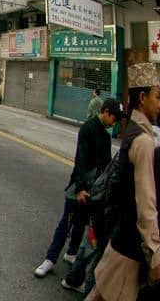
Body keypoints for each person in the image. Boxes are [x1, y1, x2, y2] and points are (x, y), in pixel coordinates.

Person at [54, 63, 160, 301]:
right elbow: (147, 202)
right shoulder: (143, 141)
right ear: (143, 97)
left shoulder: (130, 130)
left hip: (117, 240)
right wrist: (155, 253)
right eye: (157, 97)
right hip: (130, 248)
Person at [34, 98, 123, 279]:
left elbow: (105, 166)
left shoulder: (106, 137)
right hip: (79, 186)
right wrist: (81, 188)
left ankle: (72, 252)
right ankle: (50, 259)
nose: (114, 123)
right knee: (66, 223)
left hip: (94, 190)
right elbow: (80, 158)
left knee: (82, 223)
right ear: (105, 112)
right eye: (114, 118)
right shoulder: (88, 128)